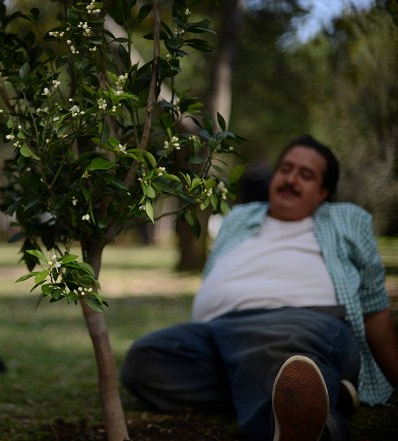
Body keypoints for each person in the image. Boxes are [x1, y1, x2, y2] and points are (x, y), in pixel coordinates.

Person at [122, 135, 398, 441]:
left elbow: (374, 308)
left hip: (305, 325)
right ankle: (320, 391)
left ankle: (299, 426)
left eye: (305, 175)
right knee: (146, 359)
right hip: (220, 334)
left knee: (280, 346)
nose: (291, 179)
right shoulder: (241, 218)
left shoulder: (344, 220)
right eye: (285, 169)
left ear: (322, 192)